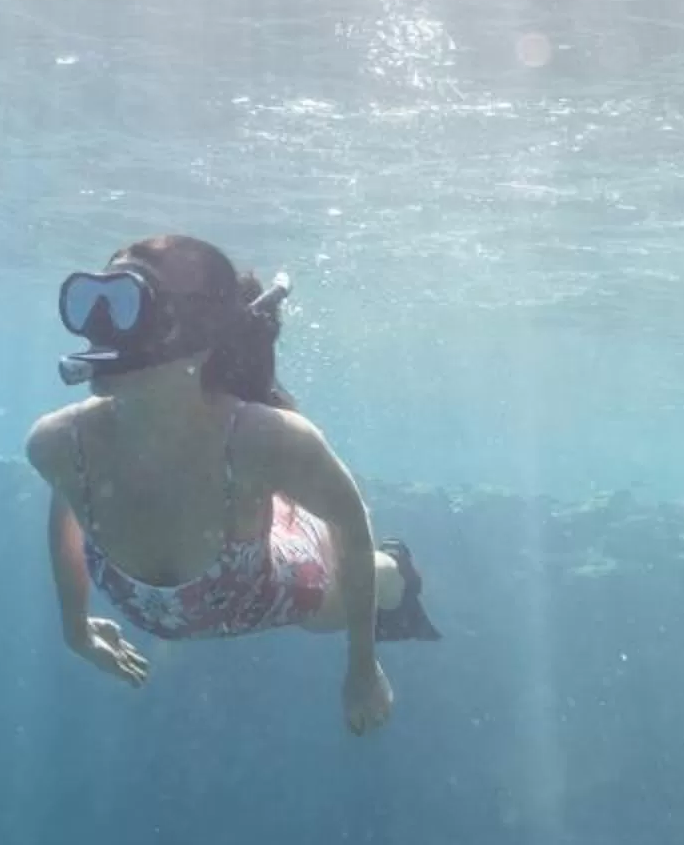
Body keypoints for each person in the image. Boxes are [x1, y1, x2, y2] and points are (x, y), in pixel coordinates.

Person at [25, 236, 437, 736]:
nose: (103, 329)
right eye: (95, 301)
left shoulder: (268, 442)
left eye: (129, 304)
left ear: (199, 340)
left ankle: (399, 568)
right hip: (233, 528)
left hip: (276, 589)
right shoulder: (58, 444)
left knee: (349, 594)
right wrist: (76, 631)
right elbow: (67, 506)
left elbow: (349, 522)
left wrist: (362, 665)